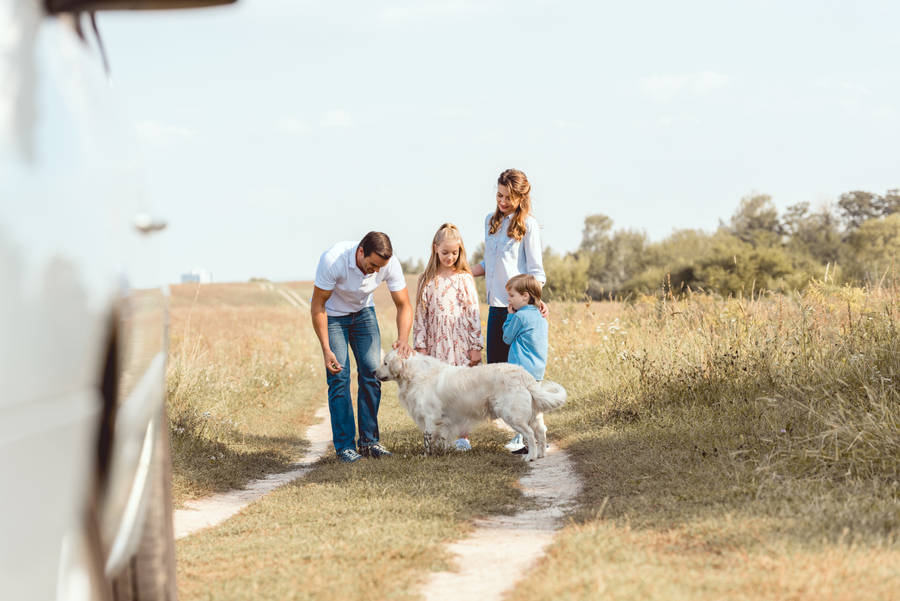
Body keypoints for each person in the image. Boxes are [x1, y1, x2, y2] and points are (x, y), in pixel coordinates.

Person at [310, 231, 413, 463]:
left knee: (372, 372)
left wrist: (403, 338)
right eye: (372, 265)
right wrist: (326, 349)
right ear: (360, 251)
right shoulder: (333, 260)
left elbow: (404, 304)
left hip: (363, 313)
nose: (375, 271)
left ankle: (369, 442)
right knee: (339, 376)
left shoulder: (389, 264)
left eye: (380, 267)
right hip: (333, 316)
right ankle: (345, 447)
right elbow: (317, 306)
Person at [470, 168, 547, 452]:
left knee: (518, 374)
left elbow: (536, 272)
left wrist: (535, 300)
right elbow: (489, 264)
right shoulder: (490, 221)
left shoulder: (529, 225)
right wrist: (460, 271)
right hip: (497, 307)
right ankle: (519, 428)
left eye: (508, 198)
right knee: (498, 371)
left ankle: (523, 435)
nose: (502, 202)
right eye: (499, 196)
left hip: (519, 310)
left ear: (521, 197)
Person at [412, 223, 482, 450]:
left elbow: (473, 313)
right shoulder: (426, 279)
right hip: (435, 344)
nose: (450, 257)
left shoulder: (464, 278)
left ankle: (463, 437)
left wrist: (475, 346)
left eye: (454, 252)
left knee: (461, 390)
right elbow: (420, 314)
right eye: (445, 252)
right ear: (435, 248)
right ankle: (438, 436)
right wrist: (420, 346)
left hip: (460, 343)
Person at [502, 274, 550, 455]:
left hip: (520, 369)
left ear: (525, 296)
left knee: (519, 406)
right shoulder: (541, 317)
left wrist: (509, 317)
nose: (509, 299)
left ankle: (522, 440)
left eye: (511, 295)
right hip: (537, 370)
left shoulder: (519, 317)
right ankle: (539, 442)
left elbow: (507, 338)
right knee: (534, 407)